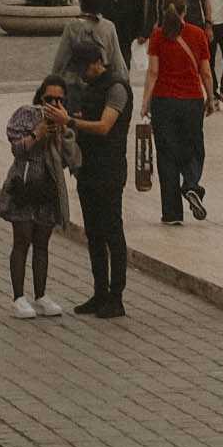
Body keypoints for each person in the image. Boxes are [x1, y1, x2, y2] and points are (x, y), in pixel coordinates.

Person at [56, 34, 133, 318]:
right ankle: (99, 292)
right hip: (88, 169)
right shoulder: (90, 87)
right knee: (94, 233)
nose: (82, 75)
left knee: (112, 230)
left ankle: (116, 296)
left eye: (85, 69)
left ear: (97, 63)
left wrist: (71, 121)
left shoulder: (116, 88)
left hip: (110, 169)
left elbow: (104, 126)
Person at [0, 87, 68, 319]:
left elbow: (71, 159)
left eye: (60, 100)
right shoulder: (25, 115)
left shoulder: (62, 123)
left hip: (47, 190)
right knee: (22, 240)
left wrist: (64, 131)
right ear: (40, 98)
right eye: (50, 99)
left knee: (42, 243)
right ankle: (18, 297)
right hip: (24, 187)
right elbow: (17, 149)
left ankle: (41, 296)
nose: (54, 104)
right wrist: (37, 134)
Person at [145, 0, 215, 225]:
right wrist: (211, 98)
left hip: (163, 100)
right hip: (191, 100)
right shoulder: (197, 34)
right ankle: (192, 185)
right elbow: (205, 71)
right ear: (187, 10)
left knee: (166, 155)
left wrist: (146, 101)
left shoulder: (157, 35)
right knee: (194, 147)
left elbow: (153, 72)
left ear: (164, 10)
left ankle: (172, 213)